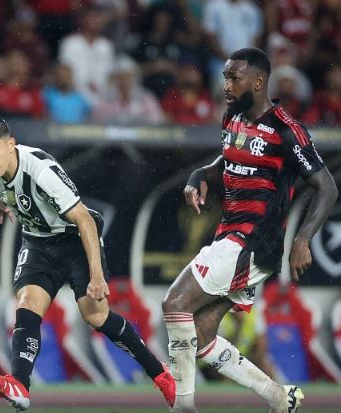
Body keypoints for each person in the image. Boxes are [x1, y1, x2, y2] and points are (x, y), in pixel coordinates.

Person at [162, 47, 338, 413]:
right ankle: (279, 397)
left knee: (174, 303)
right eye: (225, 77)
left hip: (252, 242)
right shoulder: (233, 118)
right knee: (203, 335)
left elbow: (327, 187)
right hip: (231, 237)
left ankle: (183, 405)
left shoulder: (286, 130)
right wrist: (200, 175)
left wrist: (303, 239)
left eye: (234, 78)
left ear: (258, 81)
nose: (225, 85)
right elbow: (226, 159)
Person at [0, 115, 175, 411]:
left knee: (96, 317)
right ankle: (19, 385)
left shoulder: (41, 172)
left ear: (11, 145)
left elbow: (84, 220)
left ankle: (160, 374)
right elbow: (13, 188)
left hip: (75, 240)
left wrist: (97, 276)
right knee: (27, 303)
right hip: (38, 242)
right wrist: (4, 201)